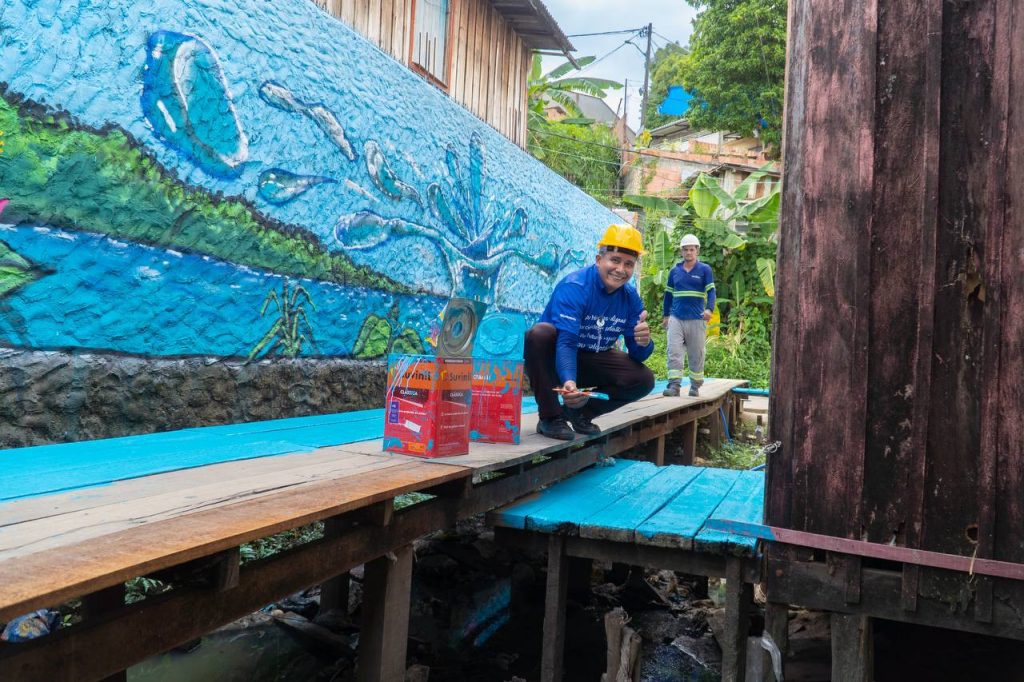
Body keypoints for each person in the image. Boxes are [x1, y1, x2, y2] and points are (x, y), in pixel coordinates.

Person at [524, 224, 656, 440]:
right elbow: (566, 342)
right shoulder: (575, 287)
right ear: (598, 260)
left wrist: (644, 343)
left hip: (593, 357)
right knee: (539, 334)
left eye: (629, 264)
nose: (621, 269)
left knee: (643, 379)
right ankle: (550, 417)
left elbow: (637, 355)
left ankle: (580, 413)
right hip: (555, 359)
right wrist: (569, 381)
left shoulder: (630, 297)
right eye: (615, 260)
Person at [662, 233, 716, 397]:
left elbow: (711, 291)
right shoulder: (674, 271)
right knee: (674, 351)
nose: (688, 253)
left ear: (697, 251)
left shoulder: (704, 270)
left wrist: (709, 310)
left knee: (696, 353)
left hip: (697, 318)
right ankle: (674, 386)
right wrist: (666, 316)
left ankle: (695, 386)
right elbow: (668, 295)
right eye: (685, 250)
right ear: (681, 251)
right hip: (676, 318)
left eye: (691, 249)